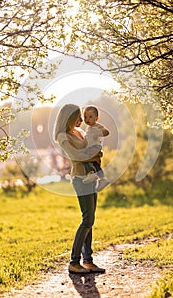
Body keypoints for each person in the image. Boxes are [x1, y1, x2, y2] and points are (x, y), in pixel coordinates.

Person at [54, 104, 105, 275]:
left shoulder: (79, 131)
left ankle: (88, 261)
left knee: (90, 219)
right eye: (77, 116)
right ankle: (74, 262)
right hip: (80, 179)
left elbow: (92, 145)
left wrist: (97, 153)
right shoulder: (62, 136)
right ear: (69, 118)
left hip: (90, 176)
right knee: (87, 219)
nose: (81, 120)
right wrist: (95, 155)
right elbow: (76, 155)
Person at [83, 106, 110, 192]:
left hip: (95, 147)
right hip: (91, 147)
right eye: (85, 117)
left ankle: (93, 174)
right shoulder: (88, 128)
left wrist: (99, 133)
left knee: (85, 157)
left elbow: (106, 132)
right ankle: (100, 178)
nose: (87, 119)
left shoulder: (97, 126)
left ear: (96, 118)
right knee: (95, 163)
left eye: (90, 117)